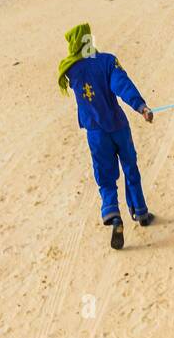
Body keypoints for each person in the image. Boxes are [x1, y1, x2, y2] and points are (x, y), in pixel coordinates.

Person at [58, 23, 154, 250]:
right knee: (131, 168)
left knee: (105, 177)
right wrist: (141, 106)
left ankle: (114, 215)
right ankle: (140, 212)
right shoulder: (108, 61)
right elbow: (122, 85)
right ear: (89, 40)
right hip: (119, 127)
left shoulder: (70, 71)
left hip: (96, 133)